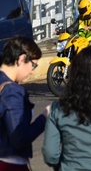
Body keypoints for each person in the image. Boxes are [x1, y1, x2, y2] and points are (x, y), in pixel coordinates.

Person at [0, 36, 49, 170]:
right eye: (33, 65)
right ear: (21, 59)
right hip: (10, 165)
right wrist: (45, 116)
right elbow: (20, 138)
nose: (32, 71)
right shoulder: (12, 91)